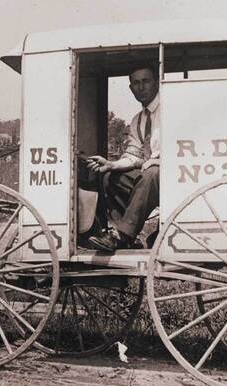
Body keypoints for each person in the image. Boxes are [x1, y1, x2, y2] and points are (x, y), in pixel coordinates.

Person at [82, 65, 160, 252]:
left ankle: (122, 235)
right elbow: (133, 154)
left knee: (151, 174)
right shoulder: (138, 120)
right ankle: (125, 237)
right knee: (111, 177)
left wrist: (157, 161)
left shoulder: (171, 111)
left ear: (157, 83)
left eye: (146, 81)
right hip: (151, 176)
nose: (141, 87)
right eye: (136, 83)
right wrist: (111, 164)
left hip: (174, 175)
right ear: (131, 88)